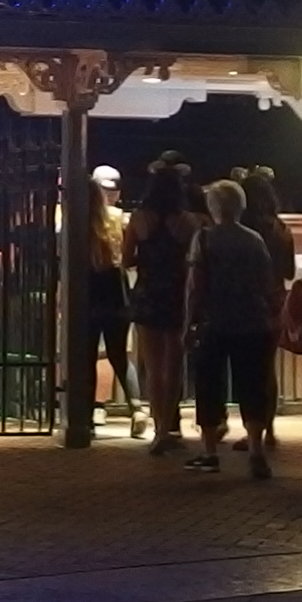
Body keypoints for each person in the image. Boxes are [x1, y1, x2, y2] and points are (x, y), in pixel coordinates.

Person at [185, 178, 285, 477]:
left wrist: (187, 323)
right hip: (253, 321)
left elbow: (195, 286)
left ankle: (209, 452)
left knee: (209, 386)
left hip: (215, 321)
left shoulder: (203, 239)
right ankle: (256, 450)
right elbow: (268, 282)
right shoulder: (254, 239)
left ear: (213, 207)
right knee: (252, 386)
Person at [124, 158, 198, 452]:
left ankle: (159, 431)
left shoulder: (140, 218)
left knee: (153, 368)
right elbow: (194, 261)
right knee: (175, 365)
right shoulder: (188, 222)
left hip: (148, 293)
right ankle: (170, 423)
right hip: (178, 295)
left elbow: (127, 258)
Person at [82, 163, 134, 428]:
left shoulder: (75, 221)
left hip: (87, 290)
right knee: (119, 354)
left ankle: (86, 416)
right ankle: (137, 408)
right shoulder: (119, 218)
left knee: (86, 354)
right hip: (115, 288)